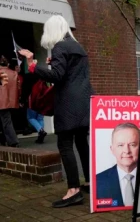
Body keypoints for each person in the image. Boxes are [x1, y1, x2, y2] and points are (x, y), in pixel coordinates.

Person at [18, 15, 94, 207]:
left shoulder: (60, 46)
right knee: (81, 142)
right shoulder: (78, 47)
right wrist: (55, 62)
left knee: (65, 144)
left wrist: (33, 64)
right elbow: (72, 72)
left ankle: (74, 190)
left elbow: (57, 76)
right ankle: (89, 182)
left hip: (68, 103)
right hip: (84, 101)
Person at [96, 123, 140, 207]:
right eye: (120, 145)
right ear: (112, 150)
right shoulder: (98, 181)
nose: (127, 151)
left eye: (132, 145)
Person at [0, 55, 20, 148]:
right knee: (7, 120)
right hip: (11, 100)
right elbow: (19, 87)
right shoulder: (14, 73)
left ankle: (12, 141)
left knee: (6, 121)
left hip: (2, 101)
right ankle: (6, 140)